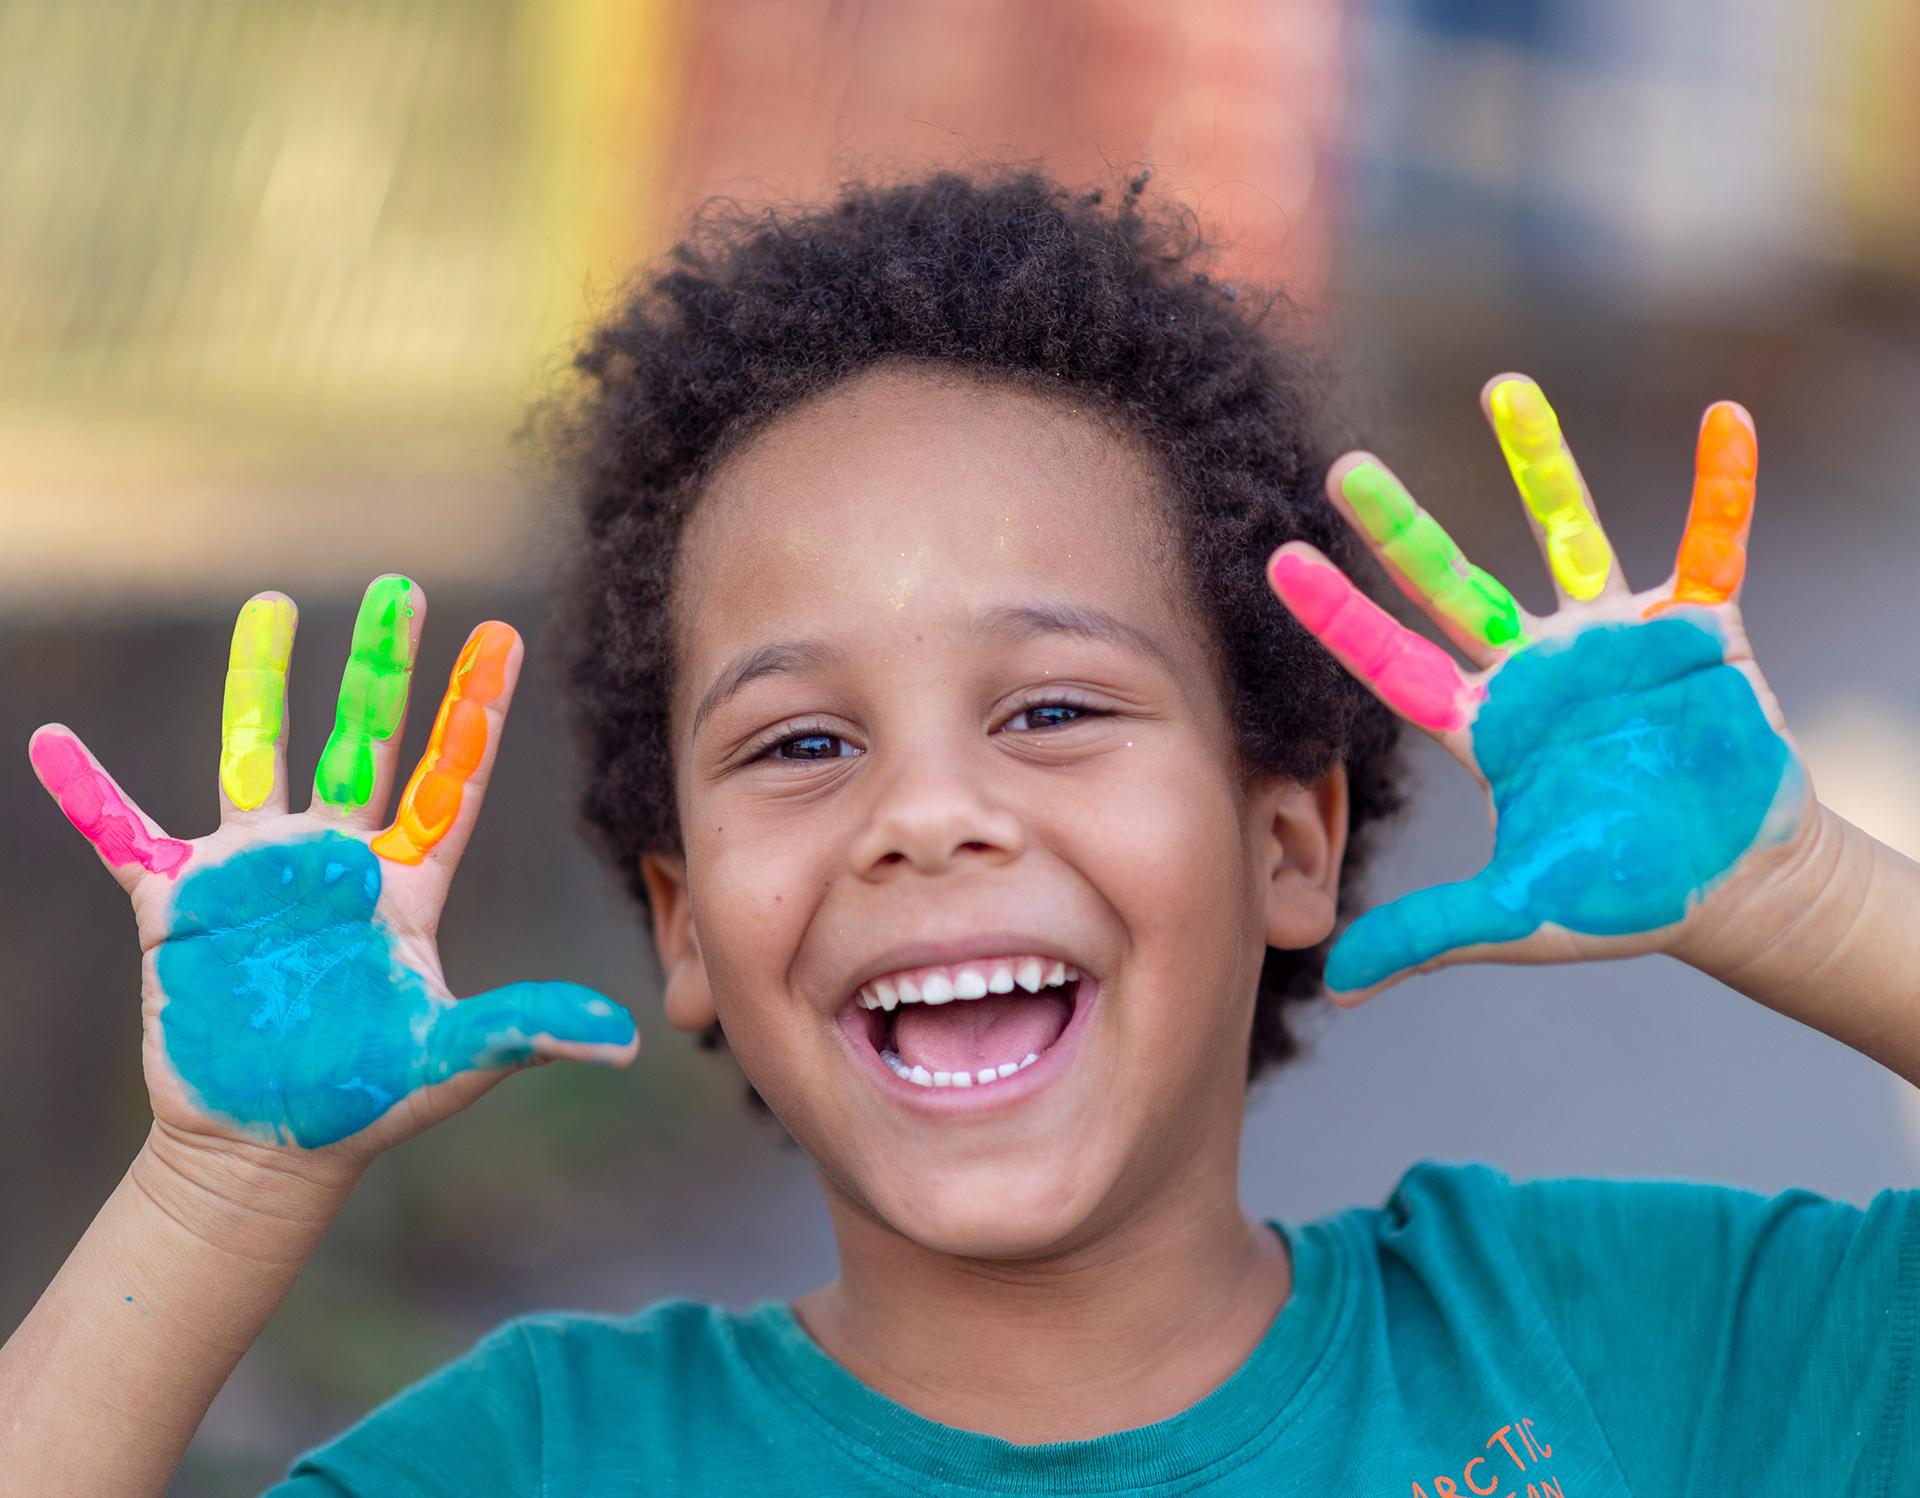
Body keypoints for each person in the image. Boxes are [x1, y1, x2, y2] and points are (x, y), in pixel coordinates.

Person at [3, 167, 1915, 1495]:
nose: (926, 811)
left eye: (1054, 709)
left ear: (1291, 841)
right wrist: (221, 1186)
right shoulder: (544, 1456)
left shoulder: (1627, 1347)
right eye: (802, 740)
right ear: (683, 923)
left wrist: (1809, 892)